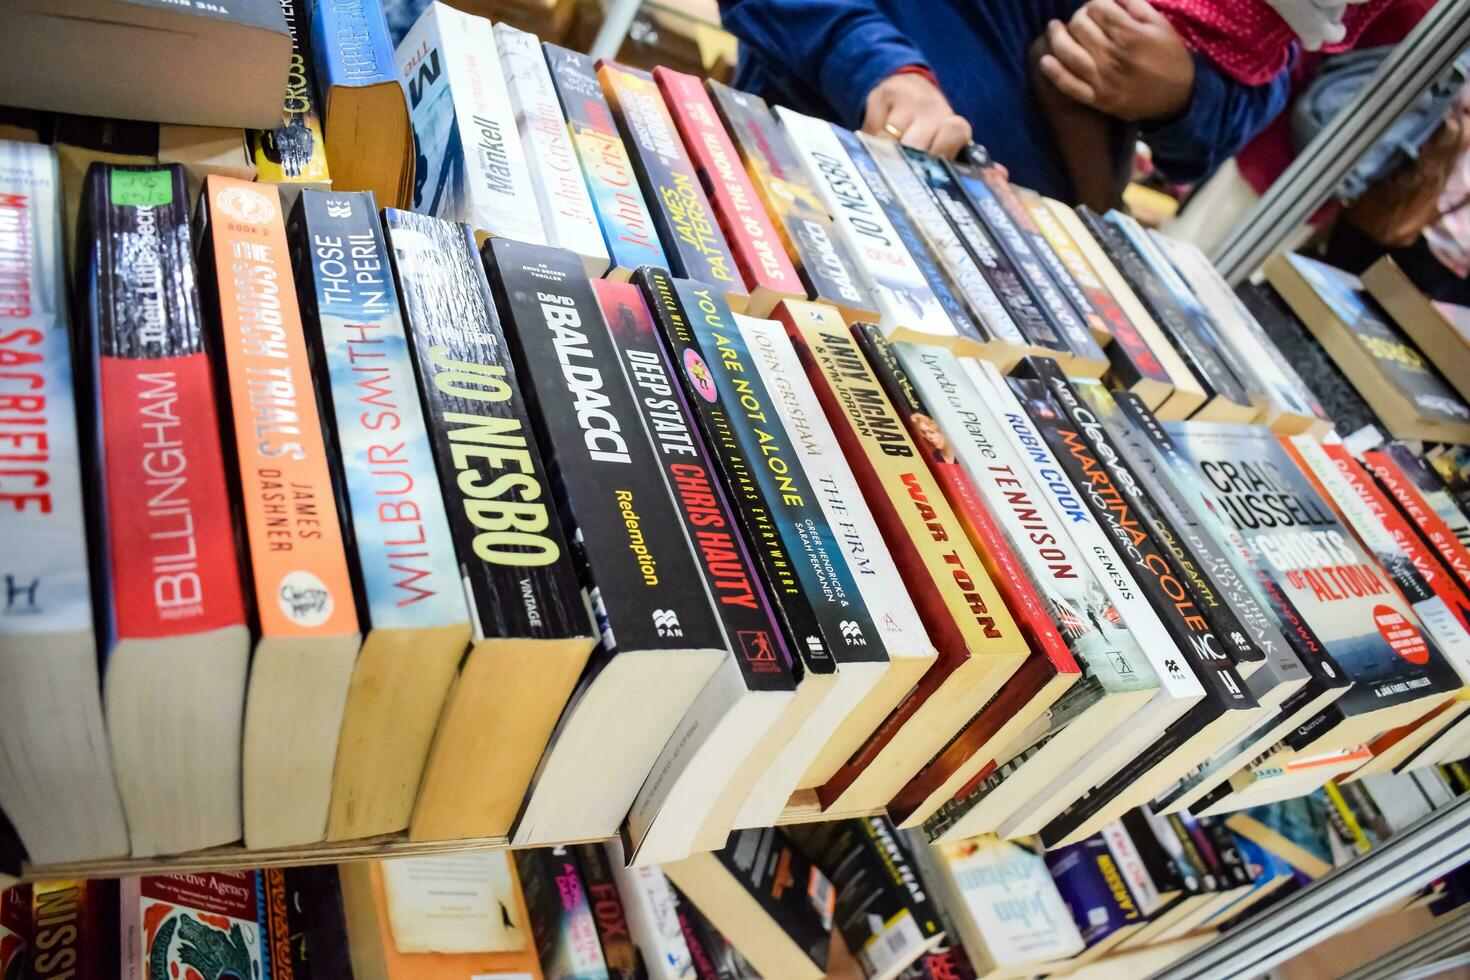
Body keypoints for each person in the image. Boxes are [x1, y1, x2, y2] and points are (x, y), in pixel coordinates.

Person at [718, 0, 1291, 201]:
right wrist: (875, 64)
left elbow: (1266, 69)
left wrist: (1184, 93)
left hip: (1032, 242)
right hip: (816, 156)